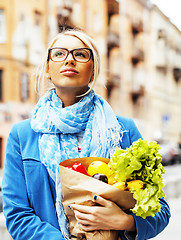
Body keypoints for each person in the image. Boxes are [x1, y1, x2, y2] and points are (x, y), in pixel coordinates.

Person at [2, 29, 170, 240]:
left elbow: (160, 210)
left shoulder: (123, 130)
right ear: (47, 69)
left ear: (93, 72)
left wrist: (123, 221)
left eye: (81, 54)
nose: (70, 60)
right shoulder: (23, 134)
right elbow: (18, 215)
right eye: (59, 53)